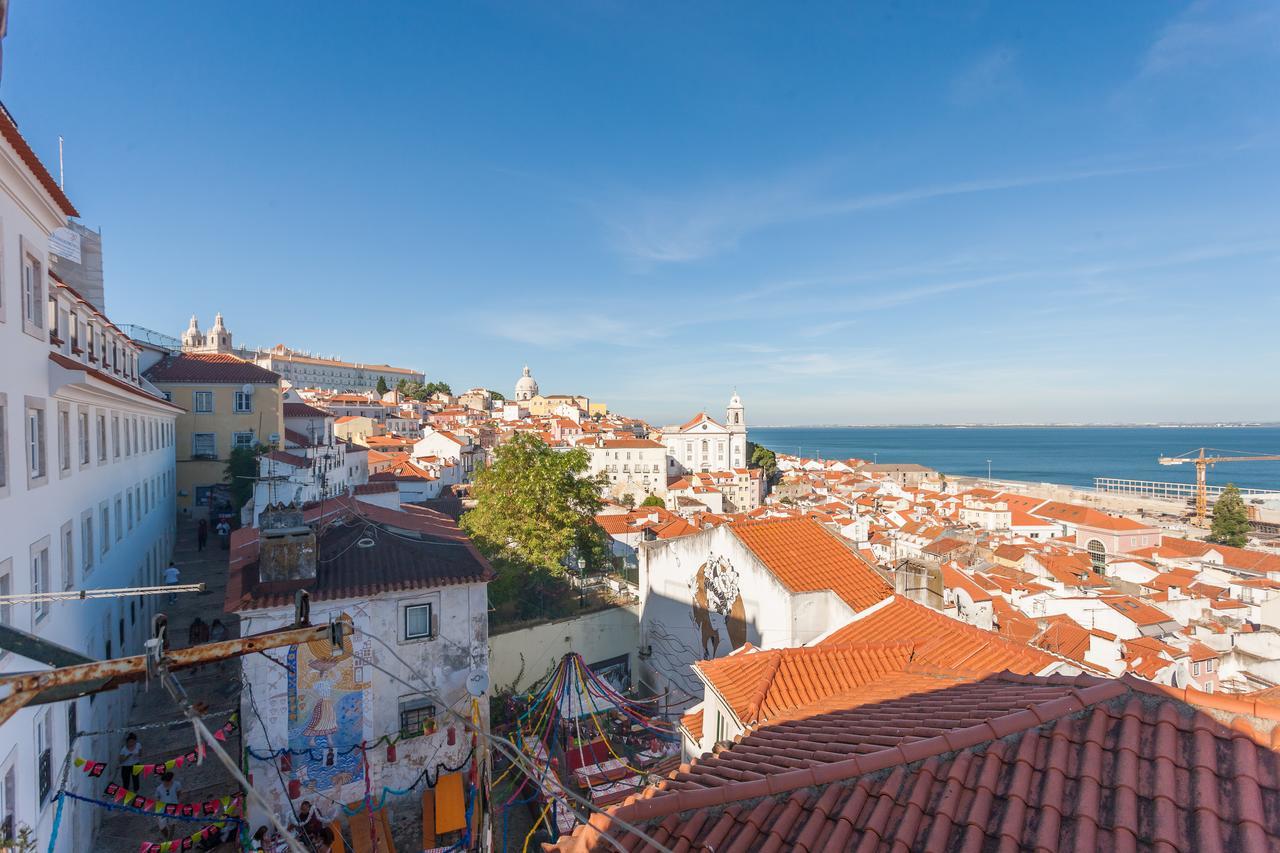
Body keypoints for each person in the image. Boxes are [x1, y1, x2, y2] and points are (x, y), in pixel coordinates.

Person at [155, 771, 181, 839]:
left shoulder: (177, 784)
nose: (165, 783)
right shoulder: (159, 788)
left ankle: (170, 839)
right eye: (164, 782)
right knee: (162, 827)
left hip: (173, 808)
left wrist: (175, 802)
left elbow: (178, 793)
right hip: (162, 809)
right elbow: (157, 798)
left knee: (172, 824)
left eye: (167, 781)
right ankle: (167, 837)